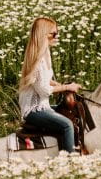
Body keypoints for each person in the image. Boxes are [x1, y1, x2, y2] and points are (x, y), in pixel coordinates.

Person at [18, 17, 82, 153]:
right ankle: (71, 162)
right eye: (53, 33)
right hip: (35, 109)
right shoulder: (38, 60)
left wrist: (61, 86)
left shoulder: (45, 53)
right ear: (43, 35)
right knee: (67, 125)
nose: (57, 36)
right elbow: (44, 90)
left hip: (43, 105)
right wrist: (66, 87)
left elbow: (46, 79)